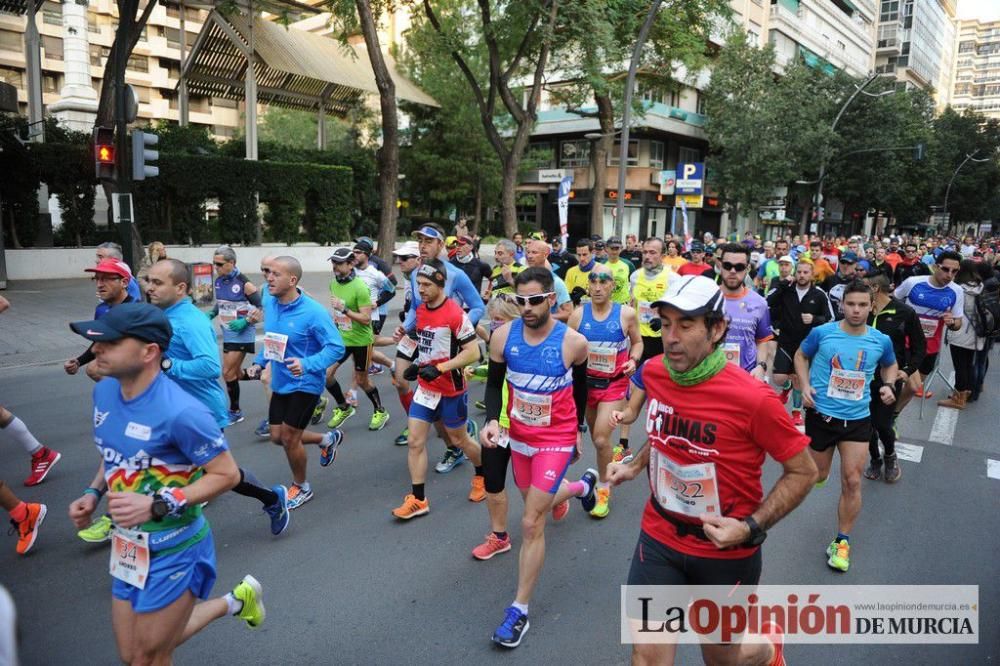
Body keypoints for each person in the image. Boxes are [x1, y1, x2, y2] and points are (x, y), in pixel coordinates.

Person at [606, 274, 816, 666]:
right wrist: (634, 466)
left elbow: (803, 472)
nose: (671, 337)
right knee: (646, 658)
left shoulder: (754, 399)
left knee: (722, 659)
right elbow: (665, 428)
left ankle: (767, 650)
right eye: (666, 324)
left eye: (686, 326)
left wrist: (751, 527)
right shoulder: (655, 372)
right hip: (660, 537)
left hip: (725, 551)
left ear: (717, 329)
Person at [67, 303, 265, 664]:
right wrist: (93, 493)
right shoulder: (105, 392)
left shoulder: (183, 412)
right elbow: (117, 452)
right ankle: (234, 602)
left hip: (176, 548)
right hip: (129, 545)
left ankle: (230, 602)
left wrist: (159, 504)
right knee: (132, 654)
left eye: (109, 343)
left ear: (149, 352)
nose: (96, 350)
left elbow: (227, 475)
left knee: (149, 656)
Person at [480, 267, 598, 648]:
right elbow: (495, 384)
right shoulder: (502, 336)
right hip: (519, 437)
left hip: (556, 438)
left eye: (534, 300)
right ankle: (582, 488)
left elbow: (580, 391)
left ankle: (519, 610)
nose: (526, 308)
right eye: (520, 300)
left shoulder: (575, 343)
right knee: (536, 499)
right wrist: (490, 421)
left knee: (531, 521)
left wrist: (577, 432)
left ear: (550, 299)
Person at [147, 259, 291, 536]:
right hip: (173, 411)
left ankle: (273, 499)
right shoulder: (165, 315)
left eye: (157, 283)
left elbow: (210, 367)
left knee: (224, 475)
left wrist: (166, 366)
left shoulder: (188, 321)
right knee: (161, 467)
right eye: (148, 281)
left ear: (180, 288)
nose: (150, 288)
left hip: (201, 413)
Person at [794, 281, 898, 572]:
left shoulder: (880, 340)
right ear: (842, 305)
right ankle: (821, 472)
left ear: (871, 306)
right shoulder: (822, 333)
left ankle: (841, 542)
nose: (856, 310)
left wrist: (889, 384)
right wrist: (804, 386)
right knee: (818, 474)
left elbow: (890, 365)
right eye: (851, 304)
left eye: (862, 305)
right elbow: (801, 356)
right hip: (822, 417)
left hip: (857, 419)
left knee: (852, 480)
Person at [244, 257, 345, 510]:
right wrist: (259, 361)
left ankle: (301, 486)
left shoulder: (313, 313)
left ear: (292, 280)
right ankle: (326, 439)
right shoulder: (269, 297)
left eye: (275, 274)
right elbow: (272, 339)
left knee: (290, 439)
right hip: (281, 380)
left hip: (305, 383)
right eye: (267, 272)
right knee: (277, 437)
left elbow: (336, 348)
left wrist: (308, 364)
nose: (268, 278)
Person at [392, 259, 486, 519]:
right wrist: (417, 365)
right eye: (418, 284)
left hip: (451, 388)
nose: (420, 289)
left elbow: (473, 353)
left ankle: (482, 475)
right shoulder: (421, 309)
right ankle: (419, 499)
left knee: (460, 439)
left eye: (426, 284)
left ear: (441, 284)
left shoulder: (456, 314)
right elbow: (424, 340)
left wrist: (442, 368)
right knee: (415, 442)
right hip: (426, 387)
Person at [395, 224, 485, 467]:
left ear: (441, 245)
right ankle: (421, 421)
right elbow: (416, 307)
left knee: (439, 386)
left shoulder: (455, 274)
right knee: (401, 379)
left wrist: (460, 331)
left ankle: (454, 437)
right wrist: (406, 327)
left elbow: (478, 306)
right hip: (420, 332)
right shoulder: (416, 274)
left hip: (447, 337)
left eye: (428, 241)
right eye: (420, 240)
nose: (423, 245)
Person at [567, 264, 641, 518]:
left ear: (613, 286)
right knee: (598, 441)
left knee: (600, 439)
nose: (597, 287)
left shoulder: (626, 314)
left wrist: (633, 360)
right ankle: (604, 468)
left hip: (614, 385)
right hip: (586, 387)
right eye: (593, 282)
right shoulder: (577, 315)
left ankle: (604, 488)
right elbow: (567, 349)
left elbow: (638, 343)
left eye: (603, 282)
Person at [471, 294, 521, 560]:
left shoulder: (531, 346)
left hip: (528, 428)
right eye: (493, 322)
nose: (494, 327)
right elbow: (494, 381)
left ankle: (574, 489)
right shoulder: (496, 346)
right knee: (493, 481)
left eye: (500, 322)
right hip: (499, 426)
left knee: (536, 489)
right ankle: (500, 536)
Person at [863, 273, 925, 484]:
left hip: (888, 379)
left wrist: (907, 371)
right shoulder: (862, 310)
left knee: (881, 423)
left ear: (874, 288)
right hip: (860, 378)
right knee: (865, 425)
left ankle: (890, 455)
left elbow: (919, 347)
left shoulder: (904, 312)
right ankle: (875, 459)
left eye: (863, 287)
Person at [324, 247, 390, 431]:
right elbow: (337, 313)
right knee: (326, 374)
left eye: (339, 263)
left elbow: (366, 318)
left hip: (361, 341)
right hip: (342, 340)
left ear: (351, 263)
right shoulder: (333, 284)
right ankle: (344, 407)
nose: (335, 267)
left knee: (362, 381)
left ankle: (380, 410)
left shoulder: (361, 287)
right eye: (333, 262)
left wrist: (345, 310)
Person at [767, 259, 834, 426]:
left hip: (806, 344)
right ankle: (786, 387)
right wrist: (782, 285)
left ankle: (796, 413)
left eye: (806, 272)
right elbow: (768, 302)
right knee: (779, 378)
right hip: (785, 340)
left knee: (798, 378)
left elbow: (830, 318)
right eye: (799, 272)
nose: (802, 275)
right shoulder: (786, 289)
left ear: (812, 275)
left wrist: (814, 319)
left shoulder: (818, 294)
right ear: (795, 273)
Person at [893, 250, 964, 404]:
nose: (949, 274)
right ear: (935, 267)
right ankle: (886, 418)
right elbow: (892, 300)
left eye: (955, 271)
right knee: (912, 386)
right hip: (906, 343)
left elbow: (958, 323)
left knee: (913, 388)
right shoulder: (913, 282)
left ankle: (893, 416)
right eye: (945, 269)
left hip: (930, 347)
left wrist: (952, 323)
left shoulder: (957, 291)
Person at [207, 246, 262, 426]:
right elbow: (222, 302)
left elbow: (260, 308)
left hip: (242, 334)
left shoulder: (245, 284)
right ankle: (266, 374)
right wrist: (212, 313)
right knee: (235, 374)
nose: (216, 268)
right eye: (214, 264)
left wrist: (245, 321)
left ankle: (235, 411)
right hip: (227, 332)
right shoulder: (219, 281)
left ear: (232, 263)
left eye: (220, 264)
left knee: (227, 372)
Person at [65, 259, 136, 382]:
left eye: (106, 279)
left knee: (93, 369)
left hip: (138, 382)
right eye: (96, 279)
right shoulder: (102, 310)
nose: (99, 284)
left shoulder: (138, 313)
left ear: (124, 282)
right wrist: (79, 361)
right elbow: (100, 341)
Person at [718, 243, 774, 379]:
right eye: (727, 266)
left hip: (745, 377)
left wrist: (761, 366)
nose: (732, 271)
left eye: (739, 267)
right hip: (711, 376)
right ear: (720, 266)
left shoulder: (760, 303)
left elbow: (763, 340)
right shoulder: (706, 298)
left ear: (748, 268)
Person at [936, 260, 985, 410]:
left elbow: (949, 308)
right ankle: (967, 391)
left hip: (960, 331)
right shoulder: (980, 286)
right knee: (968, 363)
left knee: (960, 365)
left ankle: (959, 398)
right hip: (976, 331)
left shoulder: (958, 289)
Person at [350, 239, 397, 375]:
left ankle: (369, 369)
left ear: (367, 252)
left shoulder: (378, 264)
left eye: (358, 251)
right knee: (365, 343)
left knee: (366, 344)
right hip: (358, 312)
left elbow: (392, 284)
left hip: (377, 310)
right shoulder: (353, 267)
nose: (355, 255)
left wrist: (377, 301)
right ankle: (374, 365)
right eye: (354, 251)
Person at [524, 239, 573, 322]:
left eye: (534, 252)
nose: (530, 256)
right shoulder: (524, 279)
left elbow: (569, 313)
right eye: (528, 252)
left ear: (545, 255)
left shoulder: (556, 282)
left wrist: (545, 318)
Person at [450, 235, 491, 299]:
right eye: (457, 245)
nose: (458, 247)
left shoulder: (481, 265)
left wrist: (488, 294)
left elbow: (494, 279)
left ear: (471, 247)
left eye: (462, 245)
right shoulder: (450, 263)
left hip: (473, 306)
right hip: (455, 306)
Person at [822, 250, 860, 318]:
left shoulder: (859, 283)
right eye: (843, 262)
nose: (845, 266)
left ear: (855, 264)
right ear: (839, 263)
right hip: (830, 323)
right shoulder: (829, 279)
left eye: (849, 263)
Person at [564, 239, 596, 305]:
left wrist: (588, 294)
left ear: (592, 252)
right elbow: (566, 298)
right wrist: (572, 298)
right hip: (577, 311)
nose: (581, 258)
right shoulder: (571, 271)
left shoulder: (601, 270)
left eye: (584, 255)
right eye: (579, 255)